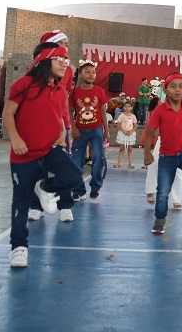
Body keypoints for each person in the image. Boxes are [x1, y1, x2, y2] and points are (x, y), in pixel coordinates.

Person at [2, 42, 83, 267]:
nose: (65, 65)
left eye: (67, 61)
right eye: (61, 59)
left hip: (49, 151)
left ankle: (45, 188)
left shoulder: (60, 90)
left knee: (74, 177)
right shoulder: (23, 84)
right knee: (20, 202)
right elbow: (8, 113)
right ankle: (19, 247)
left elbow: (58, 115)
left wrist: (60, 133)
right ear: (45, 60)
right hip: (23, 156)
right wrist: (16, 139)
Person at [143, 73, 182, 235]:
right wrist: (147, 153)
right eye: (173, 86)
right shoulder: (160, 109)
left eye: (181, 86)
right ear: (166, 89)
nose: (177, 90)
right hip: (166, 156)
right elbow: (149, 132)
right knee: (163, 191)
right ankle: (160, 219)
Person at [28, 31, 78, 220]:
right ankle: (36, 206)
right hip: (37, 125)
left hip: (60, 121)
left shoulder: (68, 69)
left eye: (67, 43)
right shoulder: (34, 71)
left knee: (63, 165)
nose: (66, 46)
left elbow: (63, 97)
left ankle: (65, 205)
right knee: (36, 166)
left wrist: (66, 124)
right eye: (62, 43)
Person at [70, 60, 110, 200]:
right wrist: (73, 128)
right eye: (87, 72)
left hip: (96, 131)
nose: (91, 74)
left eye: (93, 72)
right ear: (80, 74)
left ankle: (95, 186)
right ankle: (78, 190)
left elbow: (103, 112)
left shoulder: (99, 91)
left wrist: (106, 130)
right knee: (76, 162)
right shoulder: (74, 92)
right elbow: (69, 112)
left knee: (98, 158)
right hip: (79, 132)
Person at [113, 101, 138, 169]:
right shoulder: (121, 115)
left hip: (130, 133)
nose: (127, 108)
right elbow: (118, 124)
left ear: (131, 108)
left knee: (130, 149)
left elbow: (135, 125)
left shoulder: (133, 116)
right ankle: (119, 163)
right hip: (123, 133)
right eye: (126, 106)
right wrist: (123, 130)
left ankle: (130, 163)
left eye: (129, 106)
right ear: (124, 107)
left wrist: (131, 131)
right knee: (122, 148)